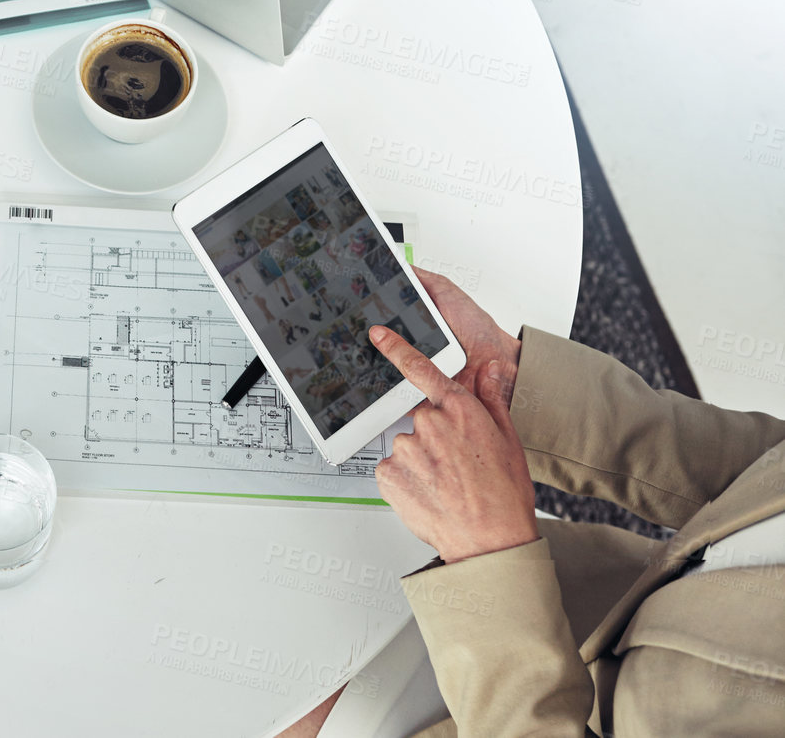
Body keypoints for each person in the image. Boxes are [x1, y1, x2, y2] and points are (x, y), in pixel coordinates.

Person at [277, 268, 785, 737]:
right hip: (607, 591)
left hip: (511, 696)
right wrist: (507, 377)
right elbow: (766, 467)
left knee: (274, 691)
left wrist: (488, 557)